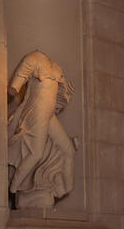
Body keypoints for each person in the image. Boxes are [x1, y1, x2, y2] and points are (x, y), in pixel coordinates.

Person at [7, 50, 77, 208]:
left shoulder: (56, 68)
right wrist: (14, 87)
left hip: (49, 115)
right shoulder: (33, 58)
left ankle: (64, 187)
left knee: (68, 149)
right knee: (36, 154)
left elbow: (61, 97)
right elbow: (15, 85)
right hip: (36, 112)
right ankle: (14, 186)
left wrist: (67, 93)